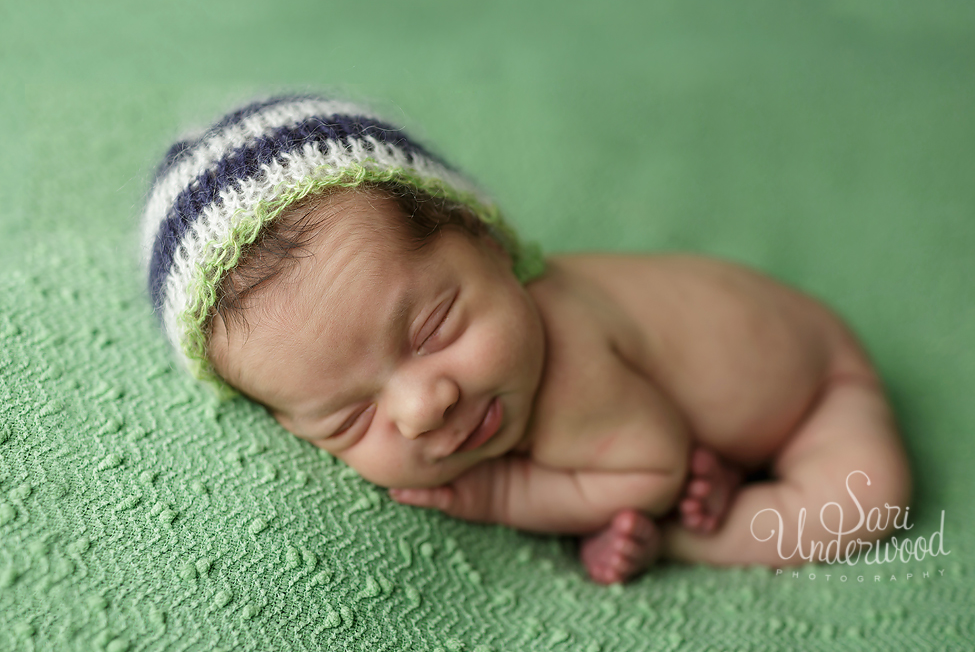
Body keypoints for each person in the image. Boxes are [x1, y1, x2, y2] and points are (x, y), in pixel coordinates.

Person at [142, 95, 911, 584]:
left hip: (819, 389)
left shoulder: (567, 365)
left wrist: (498, 492)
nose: (422, 406)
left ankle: (691, 541)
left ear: (488, 240)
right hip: (703, 395)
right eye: (349, 418)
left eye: (434, 328)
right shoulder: (489, 353)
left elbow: (652, 468)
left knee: (867, 501)